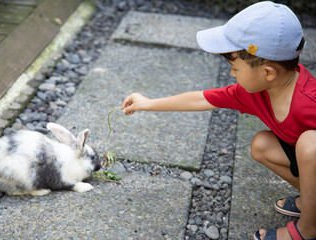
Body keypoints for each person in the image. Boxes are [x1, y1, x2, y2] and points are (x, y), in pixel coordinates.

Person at [121, 1, 316, 240]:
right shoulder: (255, 92)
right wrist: (148, 103)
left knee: (310, 144)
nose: (232, 74)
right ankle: (312, 202)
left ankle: (308, 228)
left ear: (267, 73)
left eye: (235, 68)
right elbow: (202, 100)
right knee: (261, 145)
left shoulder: (309, 102)